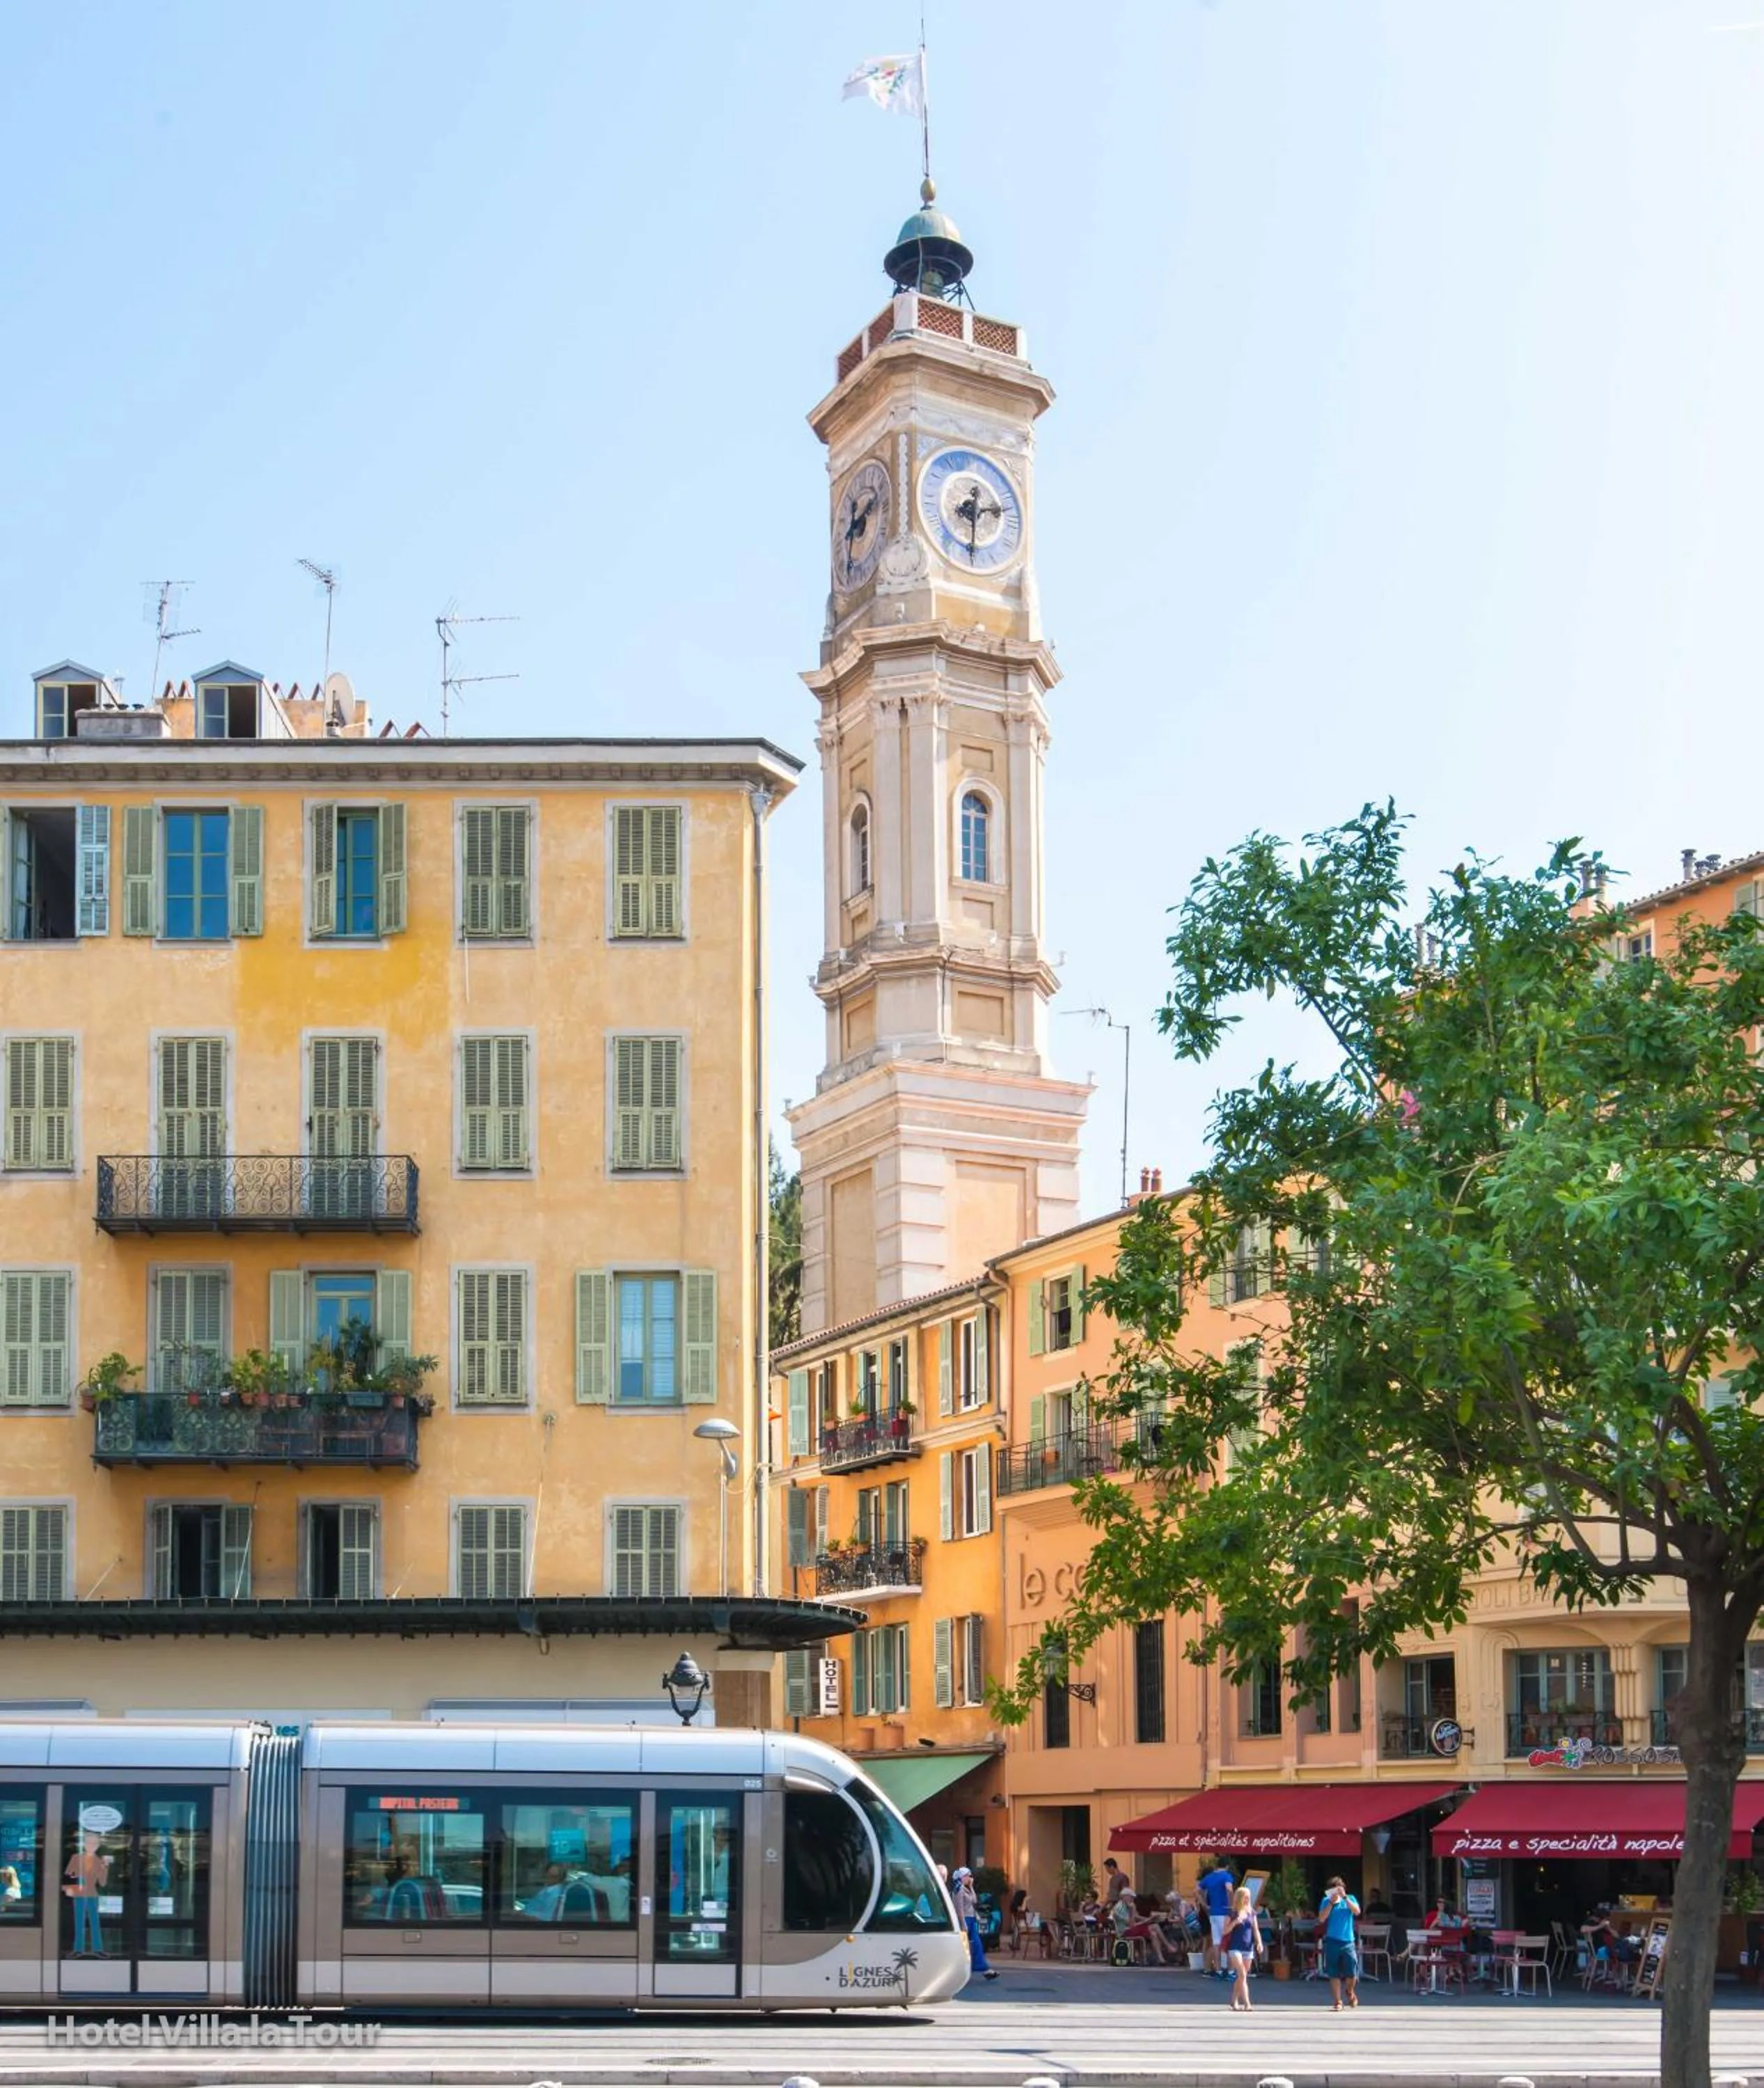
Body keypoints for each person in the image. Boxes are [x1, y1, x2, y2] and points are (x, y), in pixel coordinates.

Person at [63, 1832, 109, 1957]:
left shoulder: (99, 1861)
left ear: (98, 1845)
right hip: (78, 1894)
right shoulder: (76, 1858)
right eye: (89, 1842)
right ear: (84, 1844)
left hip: (92, 1895)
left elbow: (103, 1883)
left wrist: (105, 1869)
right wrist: (68, 1889)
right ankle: (78, 1949)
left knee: (95, 1922)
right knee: (79, 1922)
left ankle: (98, 1949)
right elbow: (67, 1876)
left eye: (94, 1843)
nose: (91, 1845)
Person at [1319, 1876, 1362, 2011]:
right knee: (1334, 1972)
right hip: (1332, 1940)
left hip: (1348, 1941)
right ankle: (1338, 2001)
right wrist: (1331, 1904)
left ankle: (1350, 1991)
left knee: (1352, 1972)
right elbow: (1321, 1919)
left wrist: (1346, 1898)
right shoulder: (1326, 1901)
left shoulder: (1350, 1898)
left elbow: (1357, 1912)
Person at [952, 1866, 998, 1980]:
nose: (970, 1878)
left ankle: (984, 1969)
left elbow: (974, 1901)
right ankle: (977, 1969)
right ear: (962, 1877)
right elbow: (959, 1909)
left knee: (976, 1945)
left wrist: (971, 1887)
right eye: (968, 1876)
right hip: (966, 1920)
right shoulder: (958, 1890)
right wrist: (963, 1924)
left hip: (972, 1919)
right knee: (966, 1947)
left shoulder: (966, 1889)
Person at [1224, 1883, 1263, 2011]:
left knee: (1242, 1976)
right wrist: (1236, 1922)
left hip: (1248, 1947)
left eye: (1249, 1897)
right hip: (1235, 1947)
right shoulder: (1232, 1912)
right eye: (1245, 1897)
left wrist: (1259, 1943)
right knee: (1242, 1975)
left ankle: (1234, 2001)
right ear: (1239, 1898)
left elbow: (1255, 1929)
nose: (1248, 1900)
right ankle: (1247, 2003)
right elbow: (1225, 1931)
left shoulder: (1252, 1912)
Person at [1198, 1854, 1236, 1976]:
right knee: (1230, 1941)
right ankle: (1230, 1971)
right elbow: (1229, 1889)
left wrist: (1205, 1905)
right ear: (1227, 1866)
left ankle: (1218, 1969)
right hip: (1225, 1912)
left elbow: (1197, 1891)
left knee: (1216, 1942)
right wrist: (1232, 1905)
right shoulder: (1226, 1876)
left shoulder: (1209, 1877)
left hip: (1213, 1913)